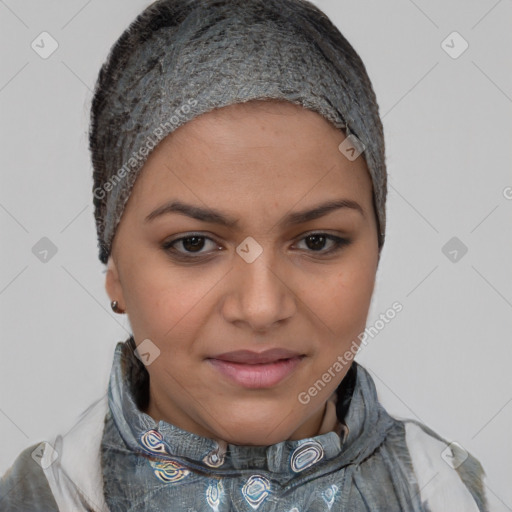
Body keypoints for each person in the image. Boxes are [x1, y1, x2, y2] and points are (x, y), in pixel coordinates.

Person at [0, 0, 489, 510]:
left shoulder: (449, 491)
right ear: (116, 273)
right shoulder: (39, 496)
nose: (260, 308)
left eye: (318, 241)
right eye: (193, 244)